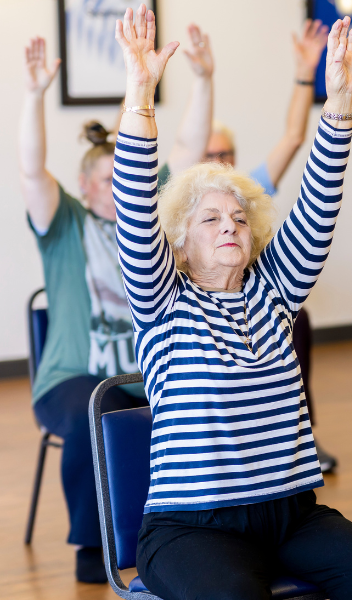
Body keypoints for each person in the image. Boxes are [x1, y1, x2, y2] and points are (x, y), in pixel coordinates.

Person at [112, 8, 352, 599]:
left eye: (238, 218)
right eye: (210, 219)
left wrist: (340, 106)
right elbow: (133, 202)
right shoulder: (162, 302)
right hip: (189, 527)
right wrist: (140, 97)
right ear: (178, 241)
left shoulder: (273, 291)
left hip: (291, 514)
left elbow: (319, 199)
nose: (229, 225)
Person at [19, 26, 213, 583]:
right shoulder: (65, 224)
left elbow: (188, 151)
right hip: (72, 377)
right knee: (95, 409)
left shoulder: (147, 222)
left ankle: (184, 526)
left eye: (122, 178)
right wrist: (33, 95)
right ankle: (96, 546)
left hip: (144, 371)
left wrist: (203, 78)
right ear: (83, 184)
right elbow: (32, 171)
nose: (115, 187)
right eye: (104, 179)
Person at [205, 20, 338, 472]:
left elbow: (294, 137)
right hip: (202, 329)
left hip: (256, 313)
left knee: (296, 321)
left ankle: (301, 436)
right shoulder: (179, 208)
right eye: (207, 154)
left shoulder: (246, 192)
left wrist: (306, 72)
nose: (217, 162)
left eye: (224, 154)